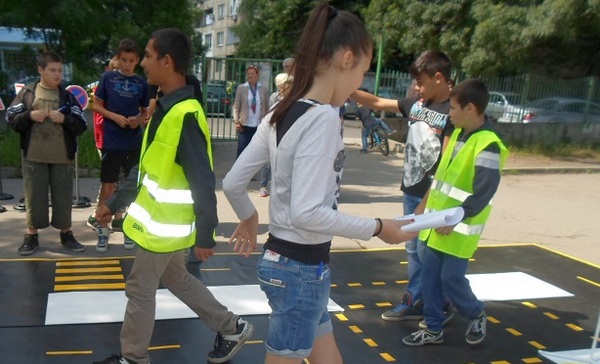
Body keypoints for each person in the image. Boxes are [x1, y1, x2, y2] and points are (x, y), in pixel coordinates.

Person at [222, 5, 417, 363]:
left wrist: (249, 217)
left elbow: (234, 182)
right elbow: (308, 213)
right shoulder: (322, 118)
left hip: (286, 263)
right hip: (300, 272)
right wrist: (378, 228)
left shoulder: (280, 112)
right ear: (346, 59)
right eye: (363, 70)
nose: (361, 83)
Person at [92, 28, 254, 364]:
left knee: (139, 288)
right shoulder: (164, 109)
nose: (144, 64)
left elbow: (202, 179)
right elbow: (146, 167)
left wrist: (207, 233)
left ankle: (133, 358)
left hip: (163, 228)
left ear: (167, 61)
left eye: (149, 57)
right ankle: (231, 326)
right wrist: (113, 202)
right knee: (175, 277)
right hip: (164, 225)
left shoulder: (185, 114)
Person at [402, 79, 508, 346]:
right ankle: (433, 328)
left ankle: (475, 313)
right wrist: (425, 204)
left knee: (450, 279)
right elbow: (442, 178)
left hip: (459, 228)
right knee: (429, 279)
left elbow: (484, 191)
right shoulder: (461, 133)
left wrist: (456, 216)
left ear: (470, 108)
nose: (449, 114)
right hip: (437, 224)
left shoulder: (488, 144)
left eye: (452, 108)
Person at [351, 50, 455, 323]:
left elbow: (446, 167)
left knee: (428, 253)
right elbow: (376, 101)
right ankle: (428, 299)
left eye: (420, 82)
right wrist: (346, 87)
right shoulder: (417, 104)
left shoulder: (453, 113)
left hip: (433, 198)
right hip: (412, 191)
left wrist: (425, 204)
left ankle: (426, 301)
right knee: (414, 251)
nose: (417, 88)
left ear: (439, 78)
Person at [6, 51, 87, 255]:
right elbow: (10, 117)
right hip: (34, 156)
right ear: (40, 70)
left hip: (62, 157)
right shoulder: (28, 93)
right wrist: (30, 115)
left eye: (60, 70)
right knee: (34, 198)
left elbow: (81, 124)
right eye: (52, 70)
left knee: (63, 198)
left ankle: (66, 234)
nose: (57, 74)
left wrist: (65, 120)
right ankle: (31, 236)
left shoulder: (67, 96)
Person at [91, 38, 151, 253]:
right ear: (118, 58)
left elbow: (146, 111)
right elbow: (96, 106)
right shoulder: (108, 78)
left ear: (137, 61)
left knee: (133, 185)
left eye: (131, 61)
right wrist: (114, 117)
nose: (127, 65)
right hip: (112, 140)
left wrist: (138, 119)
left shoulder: (141, 83)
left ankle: (129, 228)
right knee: (108, 184)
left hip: (133, 140)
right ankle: (103, 230)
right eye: (124, 60)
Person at [259, 72, 294, 197]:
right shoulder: (275, 97)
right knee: (269, 161)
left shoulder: (293, 97)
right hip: (276, 130)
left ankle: (279, 187)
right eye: (288, 83)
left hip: (288, 132)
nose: (290, 85)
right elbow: (273, 113)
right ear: (281, 84)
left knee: (284, 161)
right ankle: (263, 186)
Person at [232, 64, 268, 158]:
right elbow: (236, 106)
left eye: (252, 74)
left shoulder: (263, 89)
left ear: (257, 75)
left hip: (259, 124)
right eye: (248, 74)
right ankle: (238, 170)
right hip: (244, 124)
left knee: (255, 150)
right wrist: (236, 121)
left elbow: (266, 106)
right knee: (242, 148)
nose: (250, 76)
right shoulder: (241, 88)